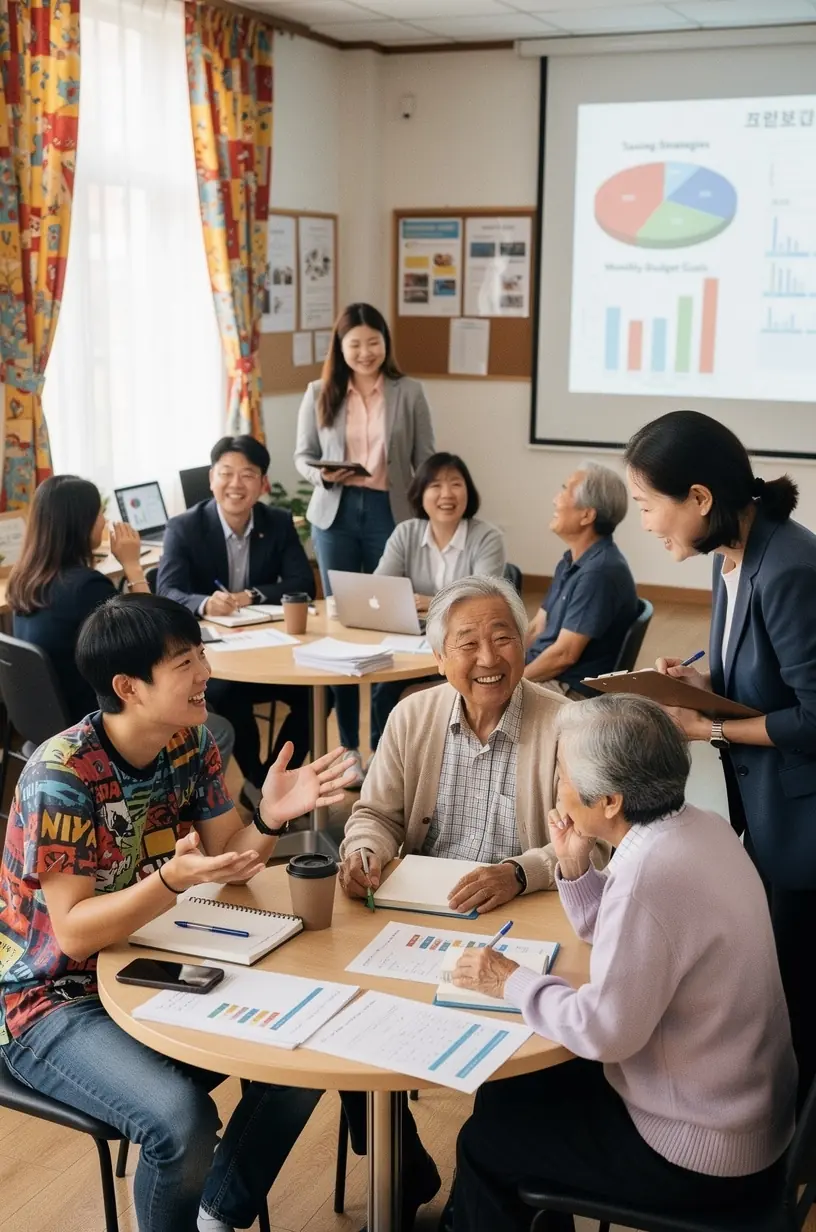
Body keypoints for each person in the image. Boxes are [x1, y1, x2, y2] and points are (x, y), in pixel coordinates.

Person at [0, 592, 355, 1232]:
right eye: (184, 661)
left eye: (200, 653)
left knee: (301, 1057)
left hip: (153, 960)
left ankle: (218, 1213)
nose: (205, 673)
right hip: (52, 1000)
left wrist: (272, 815)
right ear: (128, 686)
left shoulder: (190, 744)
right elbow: (74, 932)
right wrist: (169, 881)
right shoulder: (63, 776)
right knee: (181, 1122)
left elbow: (230, 859)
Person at [450, 694, 796, 1232]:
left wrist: (510, 980)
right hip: (745, 1115)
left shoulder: (650, 878)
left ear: (609, 800)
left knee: (486, 1142)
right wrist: (574, 866)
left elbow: (605, 1032)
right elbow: (637, 944)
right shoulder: (701, 828)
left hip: (700, 1154)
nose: (556, 782)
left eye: (562, 770)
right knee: (504, 1095)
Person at [337, 576, 610, 1230]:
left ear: (525, 644)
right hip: (416, 919)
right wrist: (365, 852)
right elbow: (374, 811)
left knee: (526, 1068)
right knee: (346, 1029)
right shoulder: (412, 715)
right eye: (469, 644)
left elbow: (594, 845)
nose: (489, 658)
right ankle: (403, 1170)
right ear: (440, 658)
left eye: (503, 639)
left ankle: (508, 1197)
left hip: (527, 925)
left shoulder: (567, 725)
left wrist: (520, 871)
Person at [625, 408, 816, 1103]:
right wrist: (704, 685)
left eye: (649, 505)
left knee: (798, 994)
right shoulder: (732, 556)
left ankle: (787, 1167)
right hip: (767, 810)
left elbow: (815, 716)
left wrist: (707, 730)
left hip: (802, 822)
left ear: (699, 499)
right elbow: (764, 681)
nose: (644, 522)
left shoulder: (789, 566)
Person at [294, 302, 436, 783]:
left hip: (388, 512)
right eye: (355, 344)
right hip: (334, 510)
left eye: (373, 341)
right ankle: (348, 749)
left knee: (385, 622)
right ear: (341, 346)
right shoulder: (320, 391)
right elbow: (302, 456)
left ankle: (381, 744)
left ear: (384, 343)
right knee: (340, 622)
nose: (366, 351)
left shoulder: (408, 391)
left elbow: (426, 458)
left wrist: (429, 511)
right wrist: (321, 474)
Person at [8, 473, 234, 766]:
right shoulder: (85, 588)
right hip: (96, 723)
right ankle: (178, 808)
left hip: (42, 720)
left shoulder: (24, 581)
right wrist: (132, 566)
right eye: (98, 513)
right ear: (82, 523)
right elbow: (157, 637)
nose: (104, 521)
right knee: (219, 729)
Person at [158, 435, 315, 809]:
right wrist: (206, 602)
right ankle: (262, 784)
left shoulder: (277, 522)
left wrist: (251, 596)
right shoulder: (185, 527)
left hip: (276, 648)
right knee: (228, 695)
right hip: (218, 655)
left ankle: (273, 778)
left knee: (316, 693)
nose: (236, 484)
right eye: (226, 473)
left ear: (262, 483)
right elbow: (167, 591)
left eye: (248, 475)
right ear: (212, 478)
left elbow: (302, 582)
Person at [369, 451, 506, 746]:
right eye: (435, 486)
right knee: (383, 688)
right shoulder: (406, 533)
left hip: (465, 648)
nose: (447, 494)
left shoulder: (487, 538)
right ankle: (381, 759)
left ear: (468, 491)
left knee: (403, 692)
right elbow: (380, 589)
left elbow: (482, 600)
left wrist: (430, 602)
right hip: (411, 642)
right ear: (421, 494)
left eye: (456, 484)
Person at [524, 463, 637, 698]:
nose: (555, 500)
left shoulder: (599, 572)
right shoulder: (572, 560)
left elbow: (563, 656)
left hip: (566, 689)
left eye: (565, 490)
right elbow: (537, 627)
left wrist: (513, 682)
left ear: (587, 515)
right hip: (544, 675)